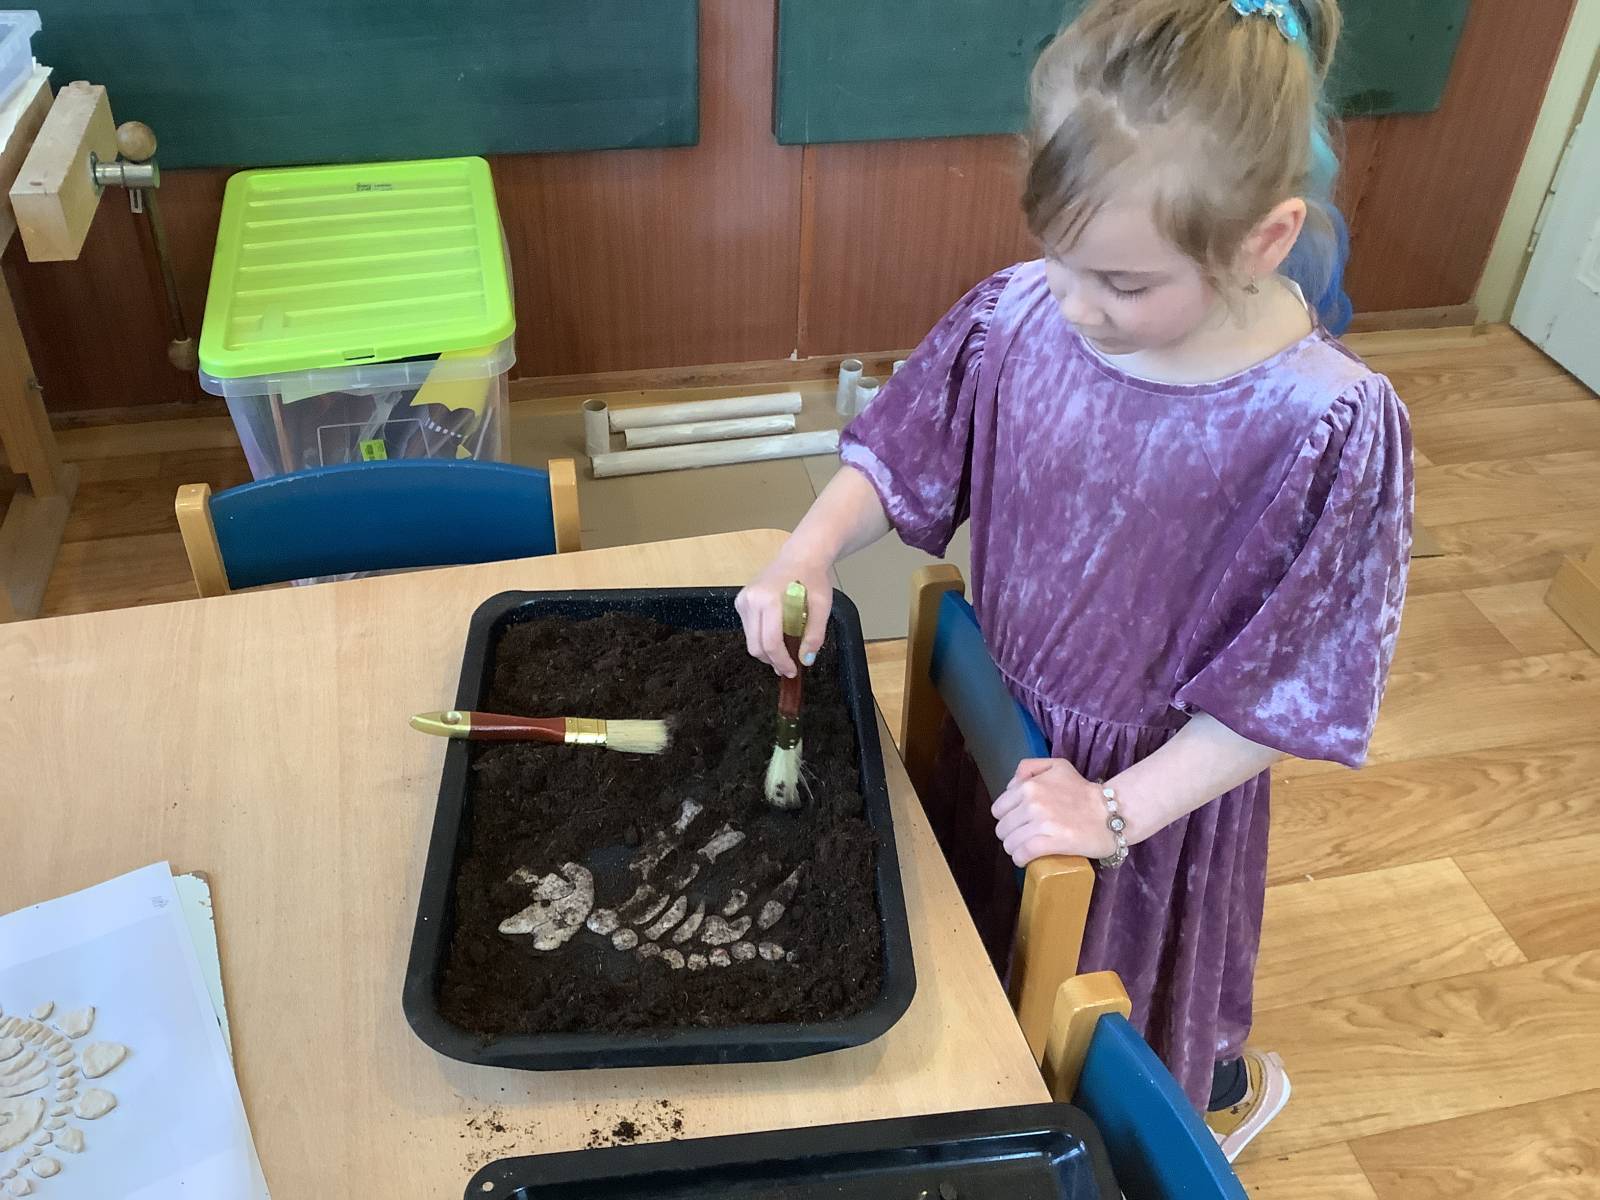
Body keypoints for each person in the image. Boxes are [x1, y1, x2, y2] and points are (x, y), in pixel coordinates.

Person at [736, 0, 1412, 1160]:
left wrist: (1110, 812)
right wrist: (807, 546)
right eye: (1057, 254)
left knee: (1100, 1020)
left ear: (1262, 239)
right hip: (991, 730)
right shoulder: (1020, 317)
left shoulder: (1325, 425)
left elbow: (1286, 697)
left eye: (1123, 283)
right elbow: (899, 454)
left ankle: (1184, 1104)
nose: (1076, 302)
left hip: (1145, 802)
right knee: (976, 965)